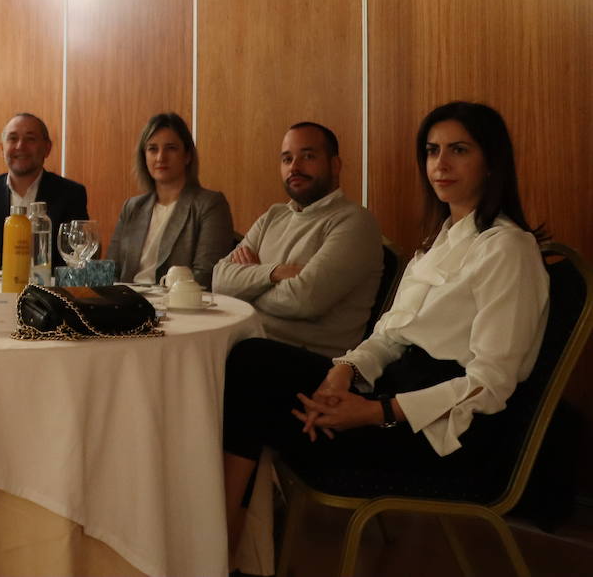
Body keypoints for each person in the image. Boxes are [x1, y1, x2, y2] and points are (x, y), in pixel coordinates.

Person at [220, 102, 549, 556]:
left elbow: (490, 386)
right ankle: (224, 541)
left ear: (491, 161)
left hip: (442, 434)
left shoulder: (508, 250)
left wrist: (374, 413)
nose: (441, 164)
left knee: (253, 381)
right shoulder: (437, 245)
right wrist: (343, 374)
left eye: (458, 150)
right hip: (388, 396)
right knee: (252, 359)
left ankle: (219, 547)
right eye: (432, 151)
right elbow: (391, 336)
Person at [212, 122, 382, 357]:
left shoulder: (355, 222)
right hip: (252, 345)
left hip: (313, 363)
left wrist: (248, 286)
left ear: (335, 165)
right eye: (287, 159)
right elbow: (219, 281)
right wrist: (275, 273)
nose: (295, 167)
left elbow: (304, 300)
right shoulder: (273, 216)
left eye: (308, 156)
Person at [107, 113, 234, 288]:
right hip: (127, 304)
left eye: (171, 148)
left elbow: (206, 276)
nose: (160, 157)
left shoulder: (210, 204)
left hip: (178, 306)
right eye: (152, 149)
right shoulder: (132, 207)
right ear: (144, 156)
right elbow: (110, 271)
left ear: (187, 155)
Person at [0, 113, 88, 265]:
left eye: (30, 139)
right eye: (13, 138)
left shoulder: (70, 194)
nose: (20, 146)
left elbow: (77, 257)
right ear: (2, 148)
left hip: (48, 287)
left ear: (47, 148)